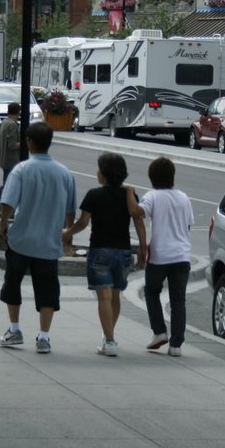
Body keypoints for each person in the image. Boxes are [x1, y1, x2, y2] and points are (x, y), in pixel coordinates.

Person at [0, 122, 76, 354]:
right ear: (50, 142)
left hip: (21, 240)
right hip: (49, 243)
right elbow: (71, 210)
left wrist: (3, 224)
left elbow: (8, 202)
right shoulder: (64, 173)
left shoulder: (21, 170)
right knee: (48, 290)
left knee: (12, 283)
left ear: (29, 142)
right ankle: (44, 336)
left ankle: (14, 329)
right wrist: (68, 233)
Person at [62, 152, 146, 357]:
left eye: (99, 169)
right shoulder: (130, 195)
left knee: (103, 296)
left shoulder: (94, 195)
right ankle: (109, 335)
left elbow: (83, 223)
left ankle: (109, 341)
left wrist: (67, 233)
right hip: (124, 252)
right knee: (115, 295)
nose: (96, 172)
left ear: (104, 173)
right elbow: (138, 220)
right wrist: (143, 247)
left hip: (100, 251)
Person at [128, 157, 193, 357]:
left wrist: (129, 192)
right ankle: (176, 345)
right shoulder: (184, 197)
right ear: (172, 176)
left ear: (152, 178)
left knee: (152, 292)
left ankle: (159, 332)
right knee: (178, 301)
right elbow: (188, 225)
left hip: (160, 256)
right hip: (182, 256)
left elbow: (136, 211)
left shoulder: (153, 196)